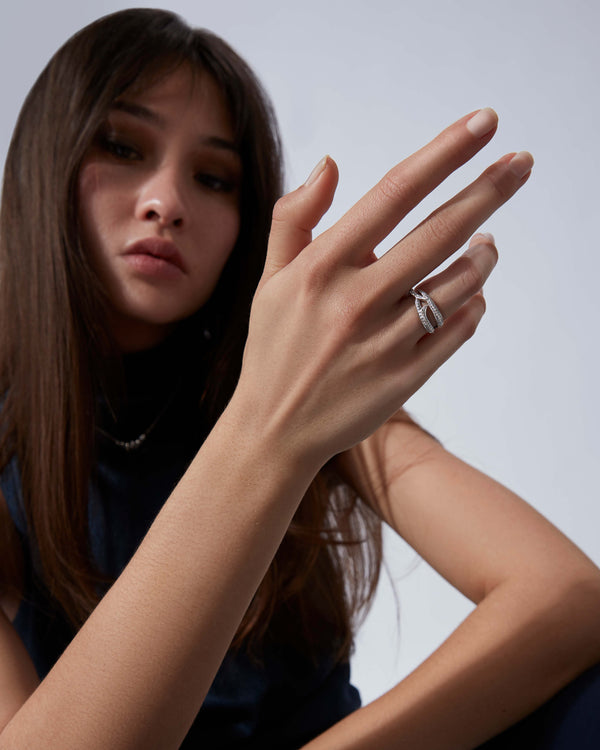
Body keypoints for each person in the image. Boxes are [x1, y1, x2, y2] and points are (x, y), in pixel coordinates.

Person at [0, 8, 598, 749]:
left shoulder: (306, 392)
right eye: (122, 146)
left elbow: (565, 595)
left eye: (214, 178)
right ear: (42, 168)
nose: (167, 203)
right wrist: (268, 434)